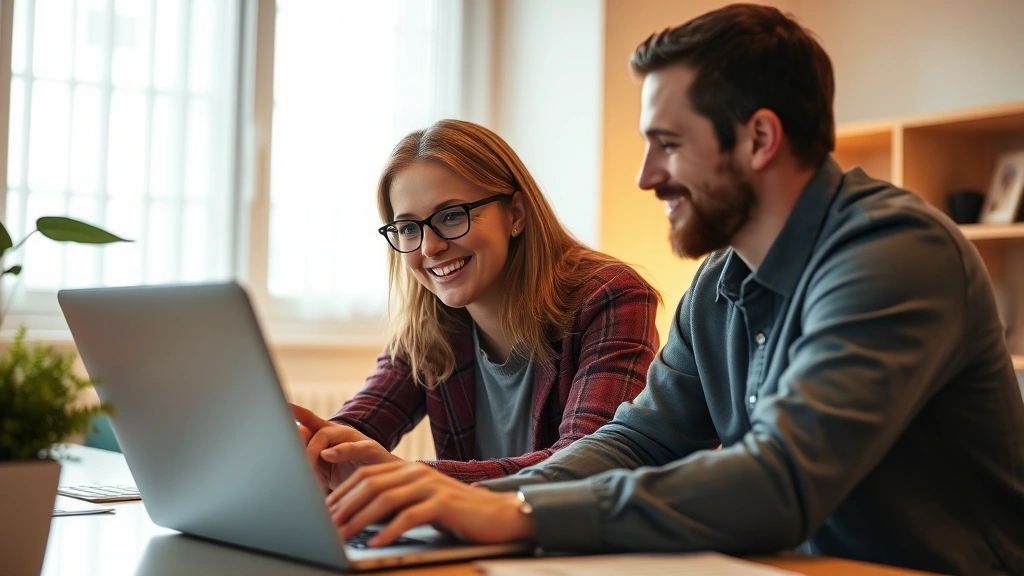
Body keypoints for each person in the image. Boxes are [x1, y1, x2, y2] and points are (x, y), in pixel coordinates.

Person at [313, 4, 1024, 574]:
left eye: (669, 143)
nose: (646, 175)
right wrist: (462, 499)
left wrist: (515, 513)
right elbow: (634, 441)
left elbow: (780, 479)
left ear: (758, 139)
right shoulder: (719, 285)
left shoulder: (893, 253)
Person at [291, 119, 660, 487]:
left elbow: (586, 466)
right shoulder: (430, 323)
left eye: (451, 216)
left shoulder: (610, 298)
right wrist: (321, 446)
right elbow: (361, 422)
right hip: (479, 543)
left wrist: (407, 477)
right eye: (408, 228)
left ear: (515, 214)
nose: (429, 247)